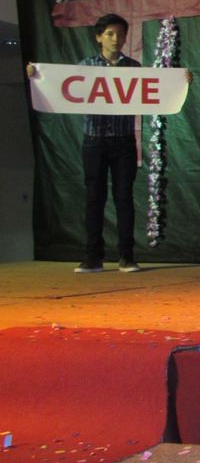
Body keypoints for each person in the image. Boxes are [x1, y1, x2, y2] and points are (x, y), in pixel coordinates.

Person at [27, 14, 142, 273]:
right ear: (99, 37)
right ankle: (93, 257)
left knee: (124, 198)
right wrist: (36, 76)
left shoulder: (134, 68)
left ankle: (127, 256)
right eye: (110, 34)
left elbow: (157, 91)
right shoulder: (85, 67)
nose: (116, 39)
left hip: (124, 142)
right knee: (94, 198)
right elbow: (58, 85)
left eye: (121, 34)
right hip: (94, 142)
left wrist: (181, 83)